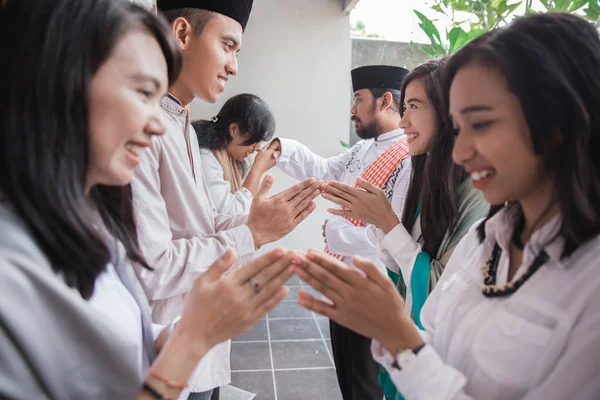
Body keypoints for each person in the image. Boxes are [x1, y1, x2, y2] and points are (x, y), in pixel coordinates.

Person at [294, 12, 600, 400]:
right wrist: (392, 326)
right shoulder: (488, 237)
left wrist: (396, 329)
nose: (460, 150)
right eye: (458, 127)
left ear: (557, 120)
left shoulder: (590, 283)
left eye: (483, 124)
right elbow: (432, 334)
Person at [0, 1, 296, 399]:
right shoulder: (14, 266)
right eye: (142, 91)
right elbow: (153, 269)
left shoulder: (82, 218)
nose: (155, 122)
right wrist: (249, 236)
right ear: (64, 83)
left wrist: (196, 329)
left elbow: (122, 325)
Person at [132, 2, 321, 398]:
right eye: (228, 46)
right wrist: (250, 233)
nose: (234, 66)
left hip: (200, 338)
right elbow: (153, 268)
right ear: (182, 34)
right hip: (168, 345)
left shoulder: (181, 122)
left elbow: (201, 223)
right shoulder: (141, 127)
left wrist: (258, 224)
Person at [320, 59, 488, 399]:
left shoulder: (475, 188)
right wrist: (377, 221)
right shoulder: (425, 171)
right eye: (404, 106)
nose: (404, 120)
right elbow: (397, 261)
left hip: (435, 353)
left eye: (413, 106)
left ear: (448, 111)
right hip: (403, 329)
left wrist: (384, 222)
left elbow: (437, 286)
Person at [269, 65, 411, 400]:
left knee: (367, 384)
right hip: (342, 284)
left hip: (374, 292)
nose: (352, 110)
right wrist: (279, 149)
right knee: (348, 380)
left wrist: (339, 233)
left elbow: (399, 234)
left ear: (385, 100)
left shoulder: (407, 159)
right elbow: (324, 171)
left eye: (358, 100)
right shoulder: (363, 150)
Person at [192, 93, 279, 215]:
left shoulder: (231, 158)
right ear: (234, 129)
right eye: (255, 141)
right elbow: (230, 214)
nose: (257, 149)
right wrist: (258, 169)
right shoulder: (205, 156)